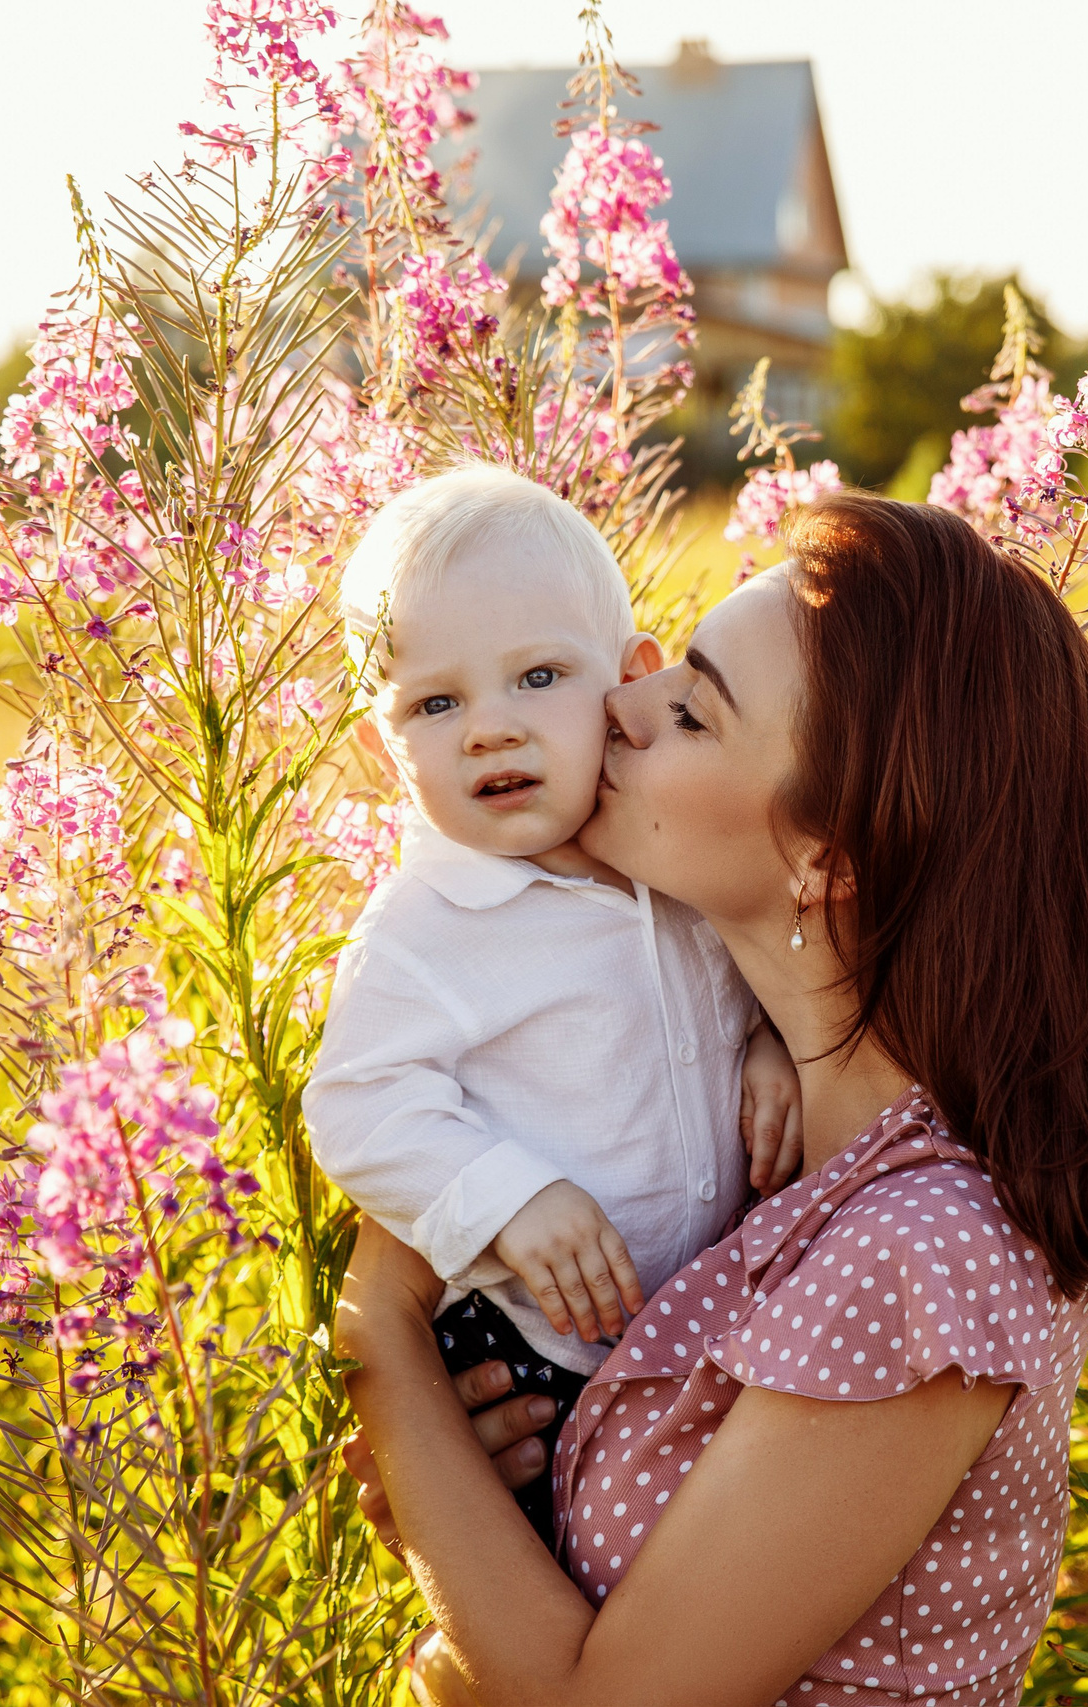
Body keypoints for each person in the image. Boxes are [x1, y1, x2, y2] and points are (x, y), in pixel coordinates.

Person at [339, 492, 1088, 1707]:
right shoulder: (790, 1154)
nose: (616, 705)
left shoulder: (916, 1257)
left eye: (690, 708)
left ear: (827, 856)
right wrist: (476, 1506)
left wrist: (384, 1334)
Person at [304, 464, 804, 1552]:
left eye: (536, 677)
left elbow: (752, 962)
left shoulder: (665, 863)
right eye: (435, 704)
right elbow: (355, 1101)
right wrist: (507, 1200)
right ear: (377, 746)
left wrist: (768, 1042)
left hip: (705, 1336)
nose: (488, 730)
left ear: (627, 685)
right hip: (537, 1355)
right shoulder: (428, 923)